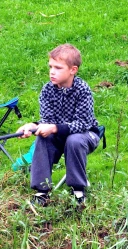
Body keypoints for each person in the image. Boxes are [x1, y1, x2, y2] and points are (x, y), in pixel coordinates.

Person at [17, 43, 100, 207]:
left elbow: (82, 124)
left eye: (58, 68)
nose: (52, 71)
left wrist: (54, 128)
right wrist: (32, 127)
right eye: (50, 67)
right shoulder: (47, 90)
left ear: (73, 70)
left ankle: (78, 191)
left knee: (74, 140)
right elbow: (47, 121)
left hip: (87, 134)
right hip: (61, 134)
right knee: (42, 138)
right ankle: (42, 191)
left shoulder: (82, 90)